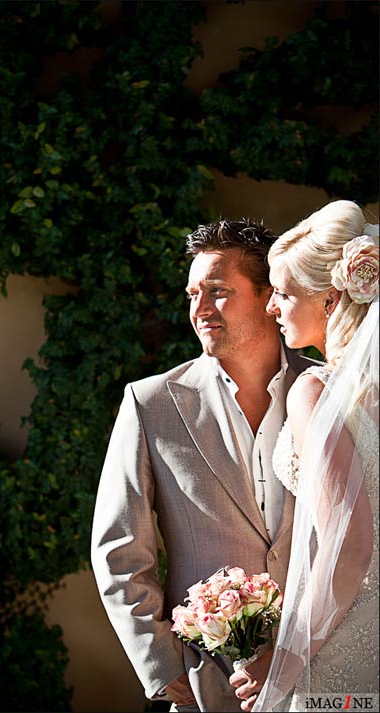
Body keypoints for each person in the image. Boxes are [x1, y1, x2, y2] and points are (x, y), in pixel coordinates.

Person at [91, 218, 315, 712]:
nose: (199, 309)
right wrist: (162, 667)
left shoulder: (328, 391)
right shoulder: (151, 403)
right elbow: (119, 550)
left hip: (322, 675)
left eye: (216, 291)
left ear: (268, 294)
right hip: (205, 686)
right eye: (193, 294)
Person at [230, 200, 379, 712]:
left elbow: (351, 547)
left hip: (346, 651)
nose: (272, 307)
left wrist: (286, 660)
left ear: (333, 299)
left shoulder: (316, 391)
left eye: (285, 293)